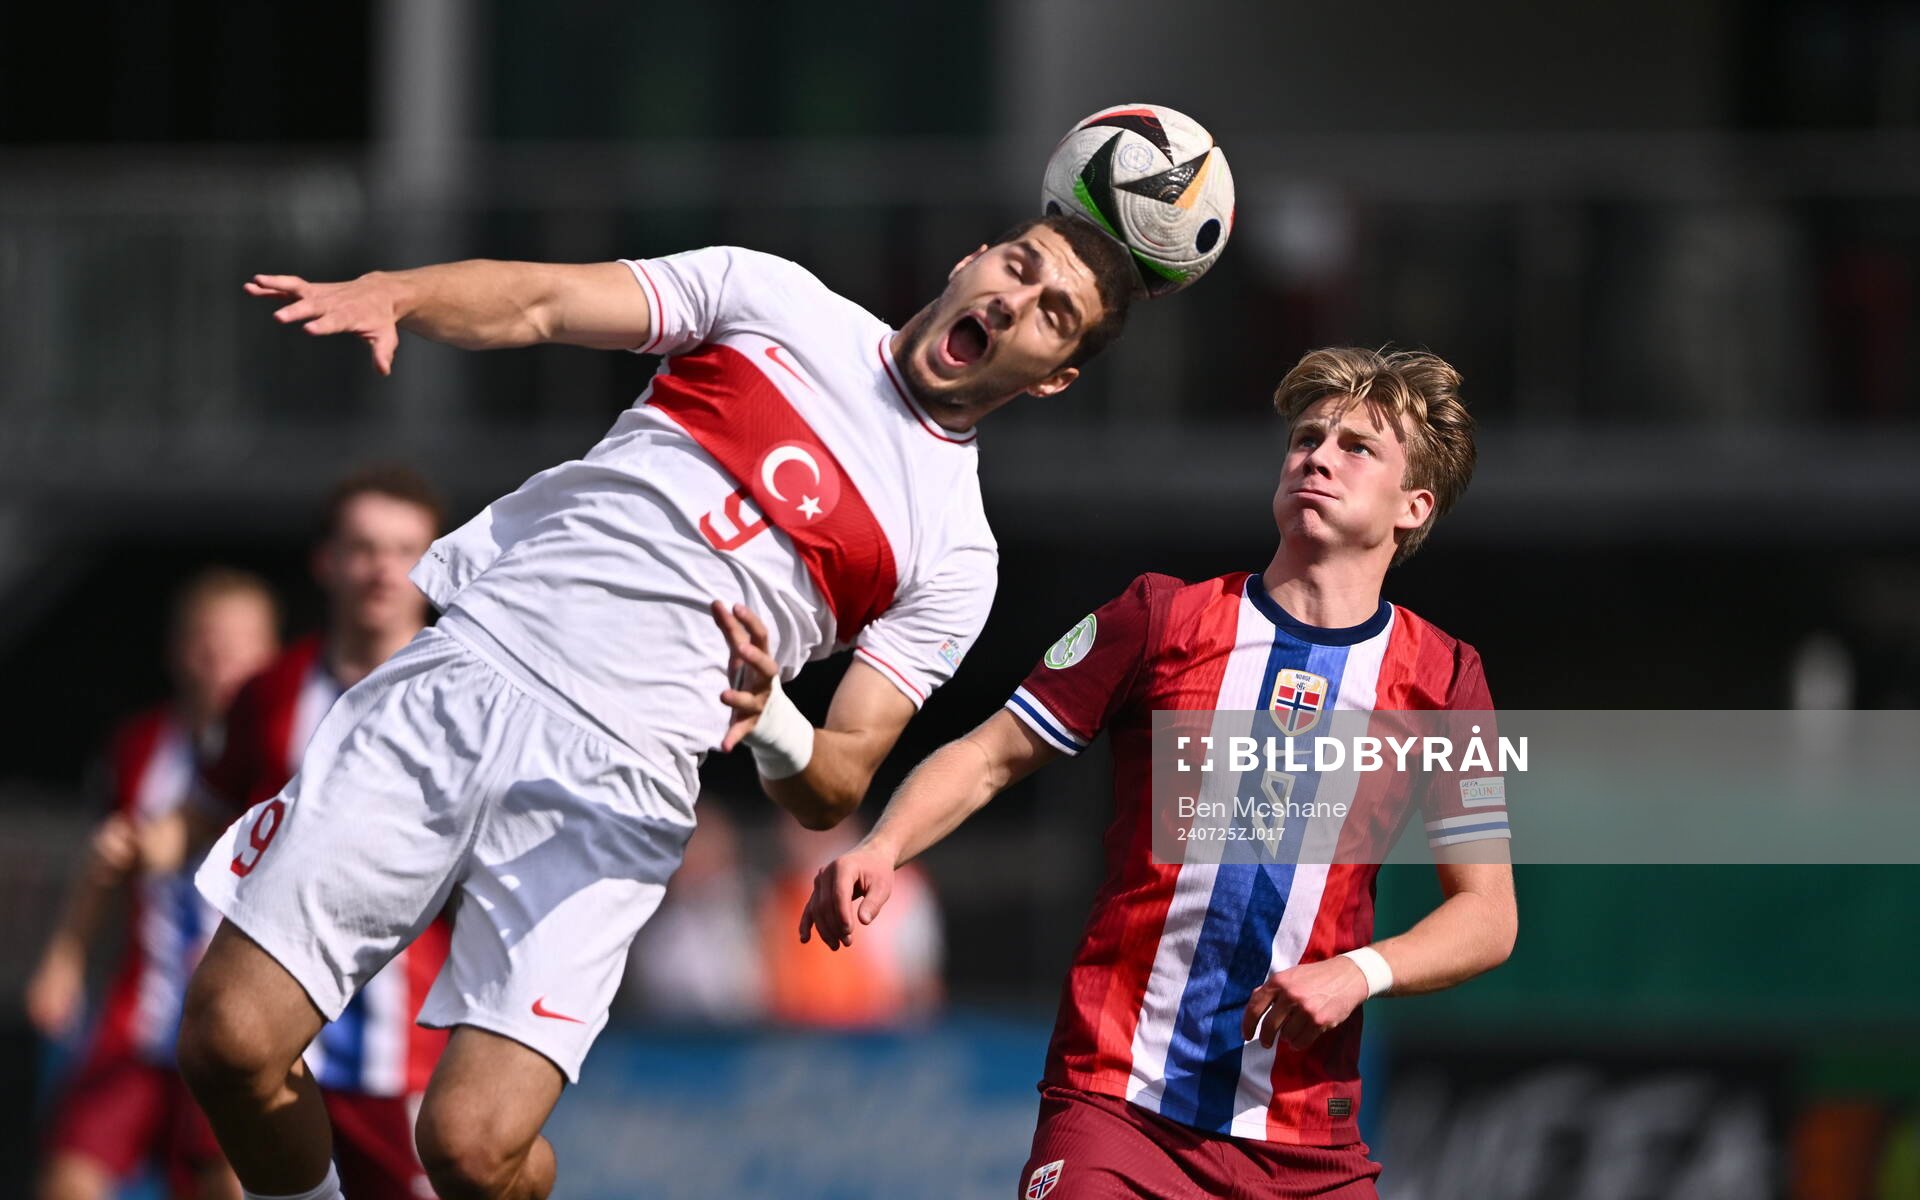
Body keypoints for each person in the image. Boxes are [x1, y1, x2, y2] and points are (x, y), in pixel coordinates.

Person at [178, 212, 1140, 1200]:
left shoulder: (955, 552)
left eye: (1054, 316)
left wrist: (771, 716)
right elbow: (543, 299)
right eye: (1019, 268)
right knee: (229, 1039)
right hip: (473, 673)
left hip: (619, 786)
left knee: (469, 1149)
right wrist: (401, 290)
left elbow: (838, 777)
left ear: (1053, 373)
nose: (1017, 301)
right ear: (970, 258)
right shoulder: (773, 299)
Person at [799, 348, 1519, 1199]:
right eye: (1306, 438)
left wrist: (1360, 970)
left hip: (1302, 1141)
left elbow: (1487, 914)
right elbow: (991, 754)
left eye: (1357, 446)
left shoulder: (1445, 680)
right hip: (1119, 1106)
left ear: (1414, 505)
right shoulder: (1161, 618)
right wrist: (885, 846)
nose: (1317, 456)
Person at [189, 467, 452, 1200]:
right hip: (266, 1040)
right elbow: (209, 825)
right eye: (363, 548)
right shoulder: (268, 694)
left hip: (403, 1052)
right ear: (326, 561)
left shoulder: (472, 697)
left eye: (405, 548)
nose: (382, 569)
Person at [29, 569, 279, 1200]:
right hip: (142, 1013)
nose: (219, 659)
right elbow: (108, 859)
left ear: (271, 654)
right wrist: (64, 958)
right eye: (205, 640)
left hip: (241, 1016)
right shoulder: (139, 746)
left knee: (227, 1179)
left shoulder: (292, 750)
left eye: (238, 642)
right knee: (71, 1170)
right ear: (176, 650)